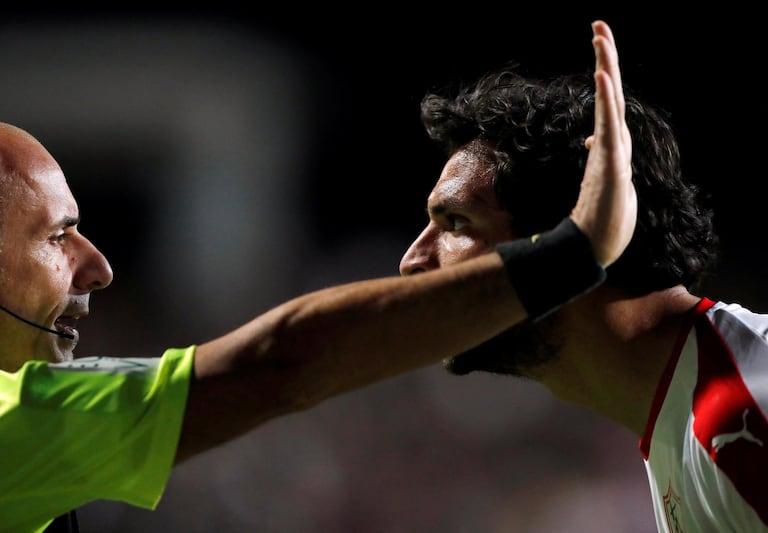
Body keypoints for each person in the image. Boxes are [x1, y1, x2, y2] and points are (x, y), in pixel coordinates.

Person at [0, 21, 632, 533]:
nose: (98, 267)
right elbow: (282, 362)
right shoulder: (16, 425)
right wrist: (570, 254)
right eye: (57, 237)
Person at [397, 19, 768, 533]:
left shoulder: (747, 418)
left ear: (576, 231)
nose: (413, 259)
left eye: (456, 223)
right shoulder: (686, 419)